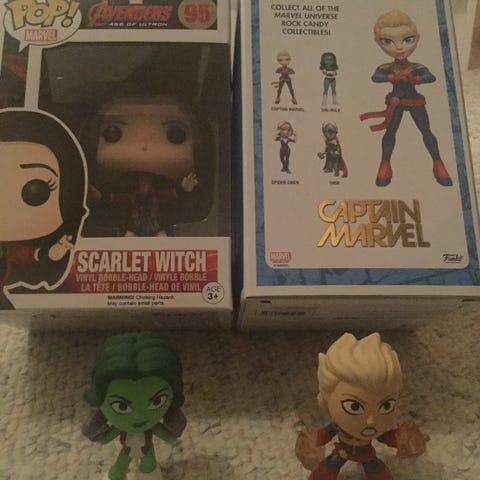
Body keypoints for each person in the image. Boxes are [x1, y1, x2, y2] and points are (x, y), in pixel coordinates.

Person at [296, 333, 428, 480]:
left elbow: (389, 437)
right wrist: (310, 446)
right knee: (327, 468)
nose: (371, 421)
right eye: (354, 407)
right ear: (326, 399)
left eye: (386, 405)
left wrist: (407, 441)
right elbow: (320, 436)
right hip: (341, 453)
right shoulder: (338, 427)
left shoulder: (375, 430)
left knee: (377, 471)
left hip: (367, 455)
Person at [360, 10, 453, 187]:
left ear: (416, 38)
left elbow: (430, 77)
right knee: (390, 132)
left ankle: (438, 163)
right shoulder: (387, 67)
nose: (399, 47)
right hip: (396, 101)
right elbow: (376, 77)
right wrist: (392, 77)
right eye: (388, 41)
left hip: (414, 101)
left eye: (407, 39)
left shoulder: (416, 66)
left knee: (426, 131)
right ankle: (385, 164)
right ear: (378, 42)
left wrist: (415, 79)